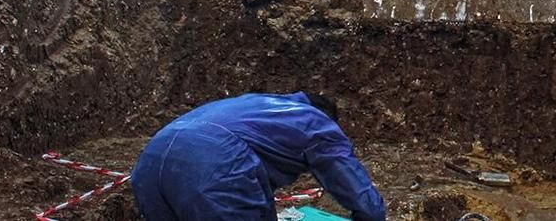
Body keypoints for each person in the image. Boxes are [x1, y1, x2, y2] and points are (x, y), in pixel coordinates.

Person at [131, 91, 385, 221]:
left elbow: (258, 194)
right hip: (213, 165)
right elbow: (355, 189)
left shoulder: (256, 106)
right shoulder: (315, 121)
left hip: (148, 166)